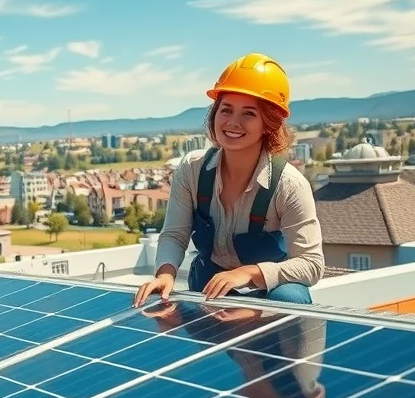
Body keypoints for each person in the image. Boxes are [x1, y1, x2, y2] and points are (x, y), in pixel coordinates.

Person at [134, 53, 324, 309]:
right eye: (226, 110)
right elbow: (175, 234)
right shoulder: (193, 169)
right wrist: (165, 274)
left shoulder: (289, 185)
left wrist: (247, 273)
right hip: (211, 285)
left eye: (248, 113)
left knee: (289, 297)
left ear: (269, 123)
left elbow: (311, 264)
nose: (233, 122)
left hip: (271, 294)